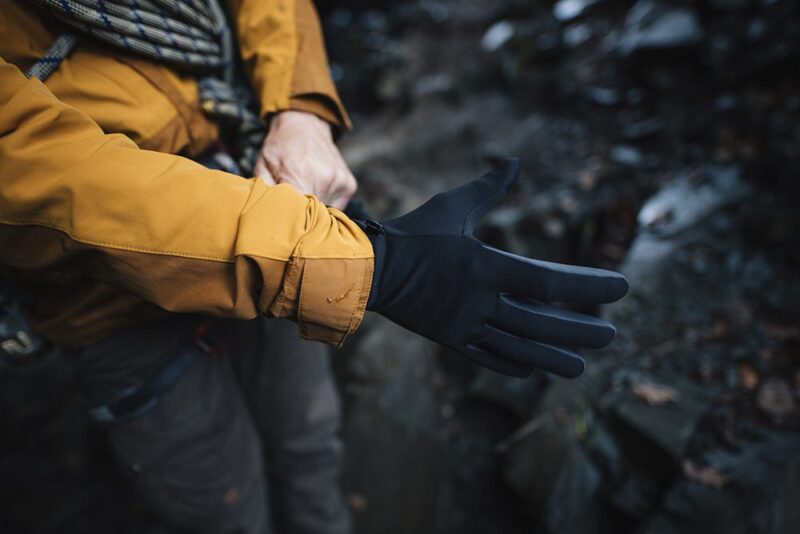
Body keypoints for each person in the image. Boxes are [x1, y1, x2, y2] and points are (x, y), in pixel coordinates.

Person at [0, 0, 628, 532]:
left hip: (268, 201)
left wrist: (300, 108)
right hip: (105, 306)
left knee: (309, 445)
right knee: (221, 506)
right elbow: (27, 169)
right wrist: (369, 267)